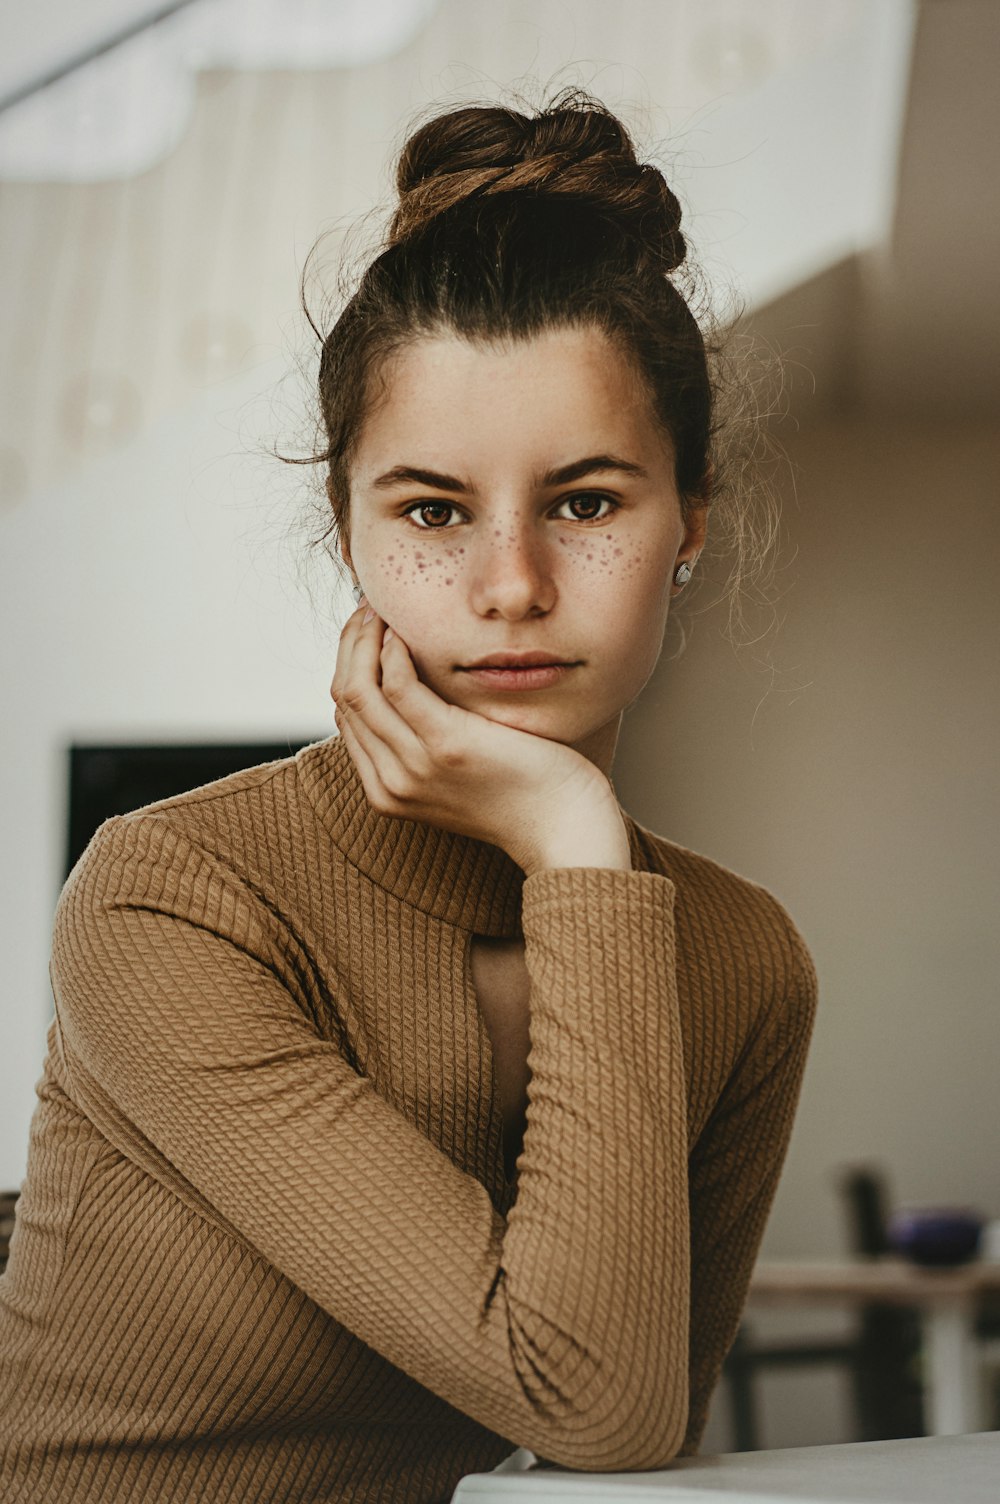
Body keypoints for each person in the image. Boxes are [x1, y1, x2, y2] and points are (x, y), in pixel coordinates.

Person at [0, 89, 817, 1503]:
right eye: (433, 511)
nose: (509, 585)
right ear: (351, 536)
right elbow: (596, 1405)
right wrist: (575, 834)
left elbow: (611, 1439)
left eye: (586, 502)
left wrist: (577, 859)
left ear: (691, 523)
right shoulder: (171, 894)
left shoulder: (742, 958)